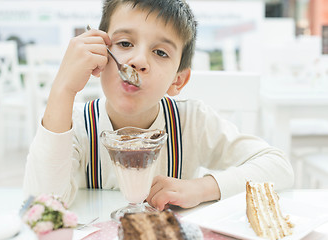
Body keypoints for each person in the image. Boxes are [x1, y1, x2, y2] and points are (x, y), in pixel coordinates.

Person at [23, 0, 294, 210]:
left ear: (177, 81)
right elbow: (44, 206)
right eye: (125, 43)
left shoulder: (191, 122)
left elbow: (278, 167)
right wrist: (62, 90)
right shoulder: (77, 125)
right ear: (102, 54)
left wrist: (199, 188)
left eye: (160, 52)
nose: (139, 60)